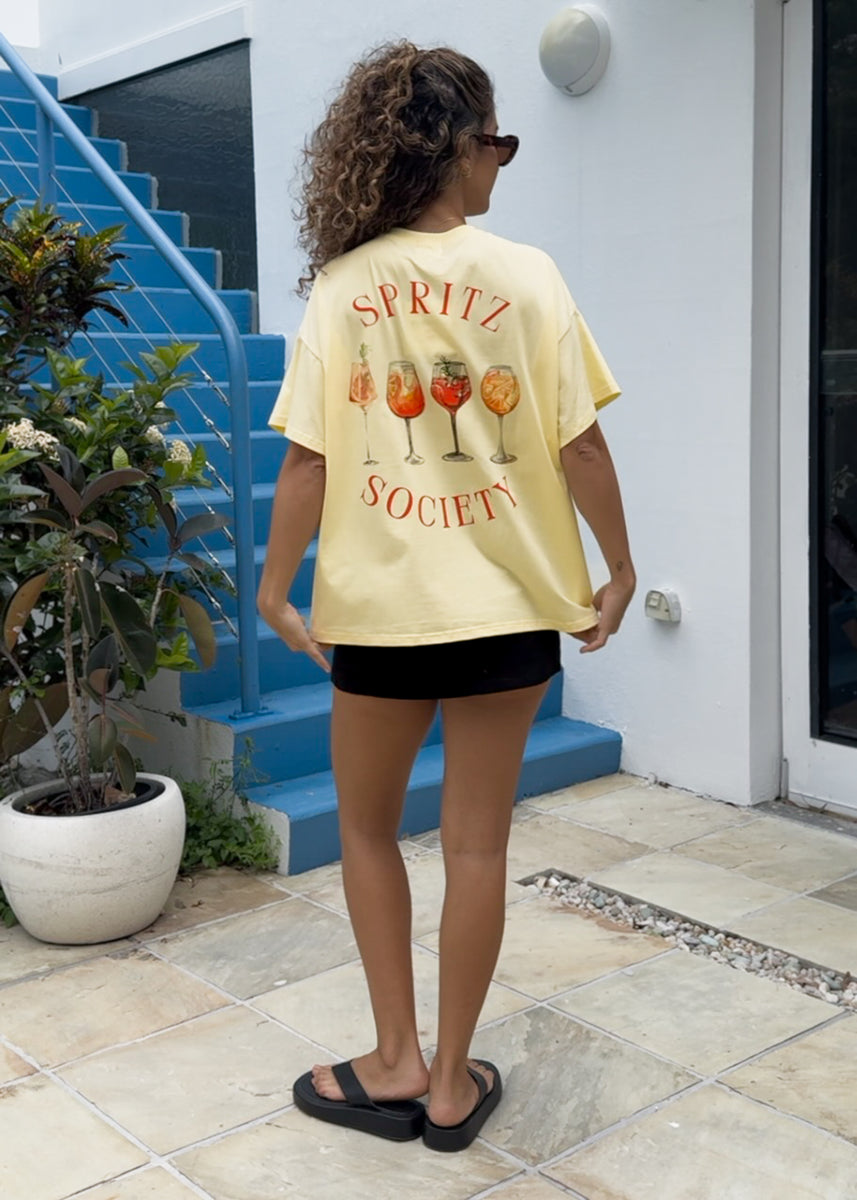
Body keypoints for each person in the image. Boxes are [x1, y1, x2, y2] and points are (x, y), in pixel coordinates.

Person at [257, 40, 635, 1152]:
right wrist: (617, 567)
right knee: (476, 848)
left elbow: (309, 462)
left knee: (366, 830)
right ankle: (455, 1086)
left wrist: (276, 591)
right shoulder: (529, 276)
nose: (501, 165)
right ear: (456, 147)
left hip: (381, 616)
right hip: (509, 612)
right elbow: (579, 444)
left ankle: (394, 1061)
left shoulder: (343, 287)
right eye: (497, 144)